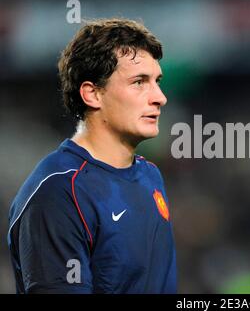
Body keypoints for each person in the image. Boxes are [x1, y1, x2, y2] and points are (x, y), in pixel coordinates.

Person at [7, 18, 176, 294]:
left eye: (157, 81)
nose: (159, 97)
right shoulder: (58, 193)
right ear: (93, 94)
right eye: (139, 82)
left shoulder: (150, 175)